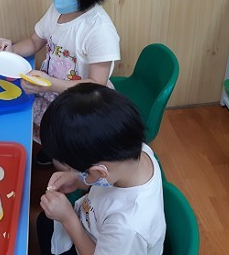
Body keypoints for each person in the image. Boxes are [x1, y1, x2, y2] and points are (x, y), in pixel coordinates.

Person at [0, 0, 120, 166]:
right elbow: (34, 41)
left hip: (83, 103)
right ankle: (51, 149)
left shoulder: (99, 30)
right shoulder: (56, 11)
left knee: (67, 147)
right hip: (51, 90)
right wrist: (10, 51)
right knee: (35, 123)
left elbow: (96, 86)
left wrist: (50, 84)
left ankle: (66, 164)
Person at [37, 83, 166, 255]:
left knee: (46, 225)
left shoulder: (128, 227)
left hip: (96, 244)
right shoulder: (133, 151)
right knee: (44, 222)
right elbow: (103, 178)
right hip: (93, 223)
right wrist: (78, 179)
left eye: (78, 170)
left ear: (99, 172)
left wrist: (68, 219)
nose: (74, 172)